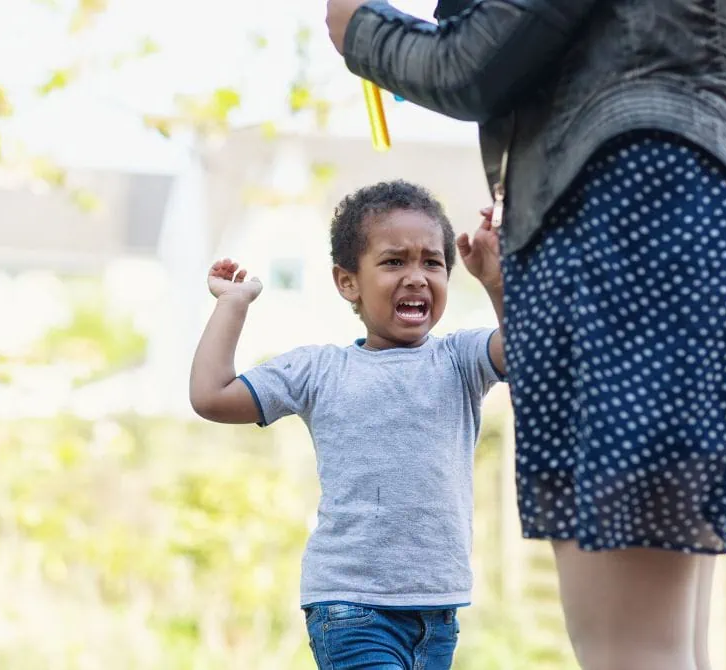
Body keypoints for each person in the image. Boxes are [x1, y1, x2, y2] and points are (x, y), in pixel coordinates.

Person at [325, 2, 726, 669]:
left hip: (636, 217)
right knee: (672, 642)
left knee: (631, 651)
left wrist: (360, 29)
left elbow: (476, 62)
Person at [188, 180, 508, 670]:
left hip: (438, 610)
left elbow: (530, 349)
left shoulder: (460, 360)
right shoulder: (319, 371)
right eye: (394, 261)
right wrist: (232, 304)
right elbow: (212, 396)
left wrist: (497, 282)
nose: (417, 276)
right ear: (347, 282)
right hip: (352, 607)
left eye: (432, 261)